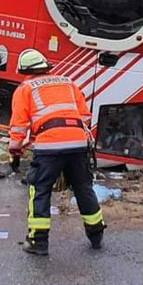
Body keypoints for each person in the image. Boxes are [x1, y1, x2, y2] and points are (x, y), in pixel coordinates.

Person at [9, 48, 105, 255]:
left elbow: (18, 126)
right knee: (83, 187)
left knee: (40, 188)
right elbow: (85, 116)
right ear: (46, 67)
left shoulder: (25, 88)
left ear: (24, 70)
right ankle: (96, 233)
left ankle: (38, 241)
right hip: (78, 142)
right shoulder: (67, 82)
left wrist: (15, 152)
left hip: (49, 146)